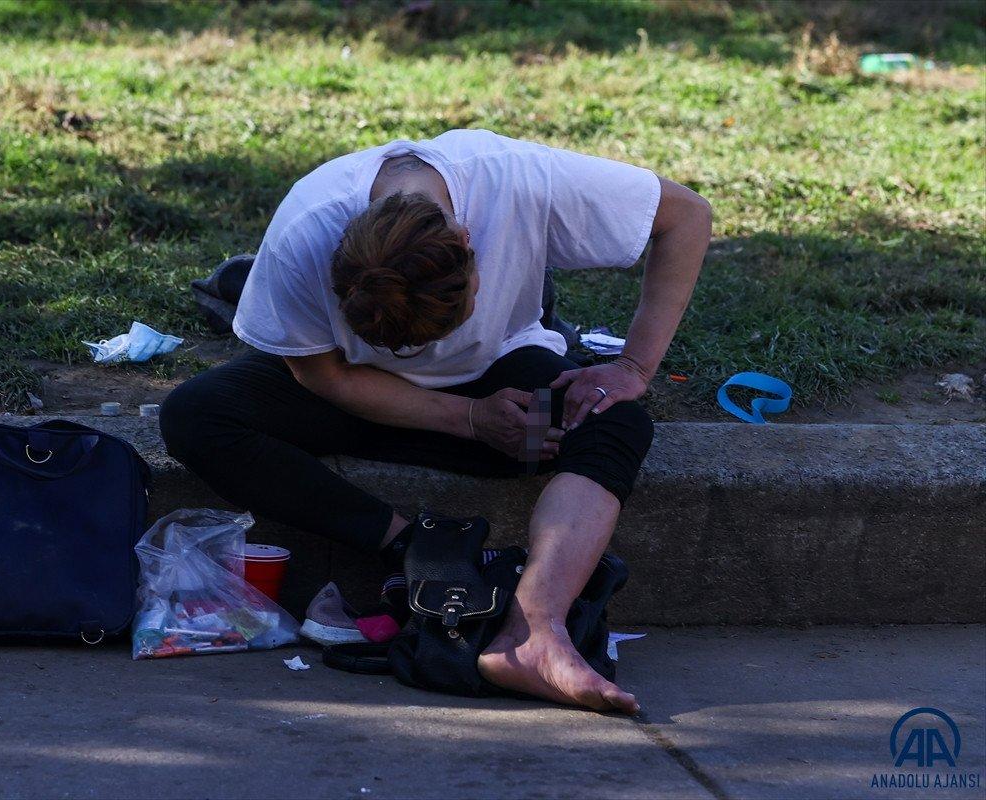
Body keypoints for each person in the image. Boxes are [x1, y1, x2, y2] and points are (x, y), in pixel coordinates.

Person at [160, 129, 710, 712]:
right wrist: (467, 420)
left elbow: (686, 216)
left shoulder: (520, 178)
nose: (420, 355)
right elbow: (324, 376)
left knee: (614, 422)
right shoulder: (305, 230)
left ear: (468, 243)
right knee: (194, 415)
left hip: (495, 371)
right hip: (351, 387)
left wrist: (632, 366)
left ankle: (534, 633)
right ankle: (417, 547)